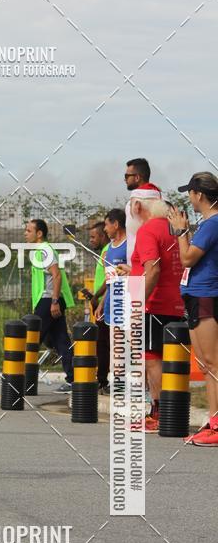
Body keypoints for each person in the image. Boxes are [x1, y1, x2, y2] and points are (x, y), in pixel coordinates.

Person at [120, 195, 184, 432]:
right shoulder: (174, 230)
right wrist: (134, 271)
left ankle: (158, 413)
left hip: (153, 303)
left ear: (139, 208)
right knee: (167, 356)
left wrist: (138, 303)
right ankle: (169, 411)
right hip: (175, 302)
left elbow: (154, 270)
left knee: (151, 357)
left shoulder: (148, 230)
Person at [168, 172, 218, 446]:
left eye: (190, 193)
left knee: (213, 364)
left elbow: (187, 258)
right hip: (197, 296)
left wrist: (181, 232)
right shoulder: (208, 224)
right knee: (206, 365)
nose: (189, 198)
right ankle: (213, 422)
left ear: (199, 194)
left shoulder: (212, 224)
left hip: (207, 296)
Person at [26, 218, 75, 392]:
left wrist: (54, 301)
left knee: (32, 339)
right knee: (61, 340)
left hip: (49, 300)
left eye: (29, 230)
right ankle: (74, 379)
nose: (25, 233)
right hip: (49, 300)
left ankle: (19, 378)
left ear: (39, 233)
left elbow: (57, 275)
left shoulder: (45, 250)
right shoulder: (40, 251)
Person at [94, 210, 127, 387]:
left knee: (129, 345)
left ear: (116, 224)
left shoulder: (130, 244)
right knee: (115, 346)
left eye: (107, 225)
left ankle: (132, 384)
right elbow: (110, 281)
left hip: (127, 303)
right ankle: (118, 385)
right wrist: (102, 303)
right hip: (111, 304)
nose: (105, 229)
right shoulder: (110, 250)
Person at [82, 220, 110, 393]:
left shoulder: (108, 251)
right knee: (103, 342)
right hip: (101, 302)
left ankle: (102, 380)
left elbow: (109, 279)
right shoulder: (105, 252)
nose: (91, 240)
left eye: (93, 237)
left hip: (104, 303)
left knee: (103, 343)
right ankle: (102, 379)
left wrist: (97, 297)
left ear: (102, 236)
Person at [123, 157, 161, 263]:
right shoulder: (163, 200)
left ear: (137, 177)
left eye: (127, 176)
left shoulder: (132, 204)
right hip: (142, 263)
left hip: (144, 263)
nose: (125, 180)